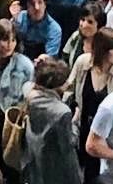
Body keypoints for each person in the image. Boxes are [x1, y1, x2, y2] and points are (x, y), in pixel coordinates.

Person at [24, 55, 79, 184]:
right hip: (56, 167)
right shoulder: (61, 112)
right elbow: (68, 145)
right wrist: (75, 123)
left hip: (33, 158)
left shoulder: (28, 93)